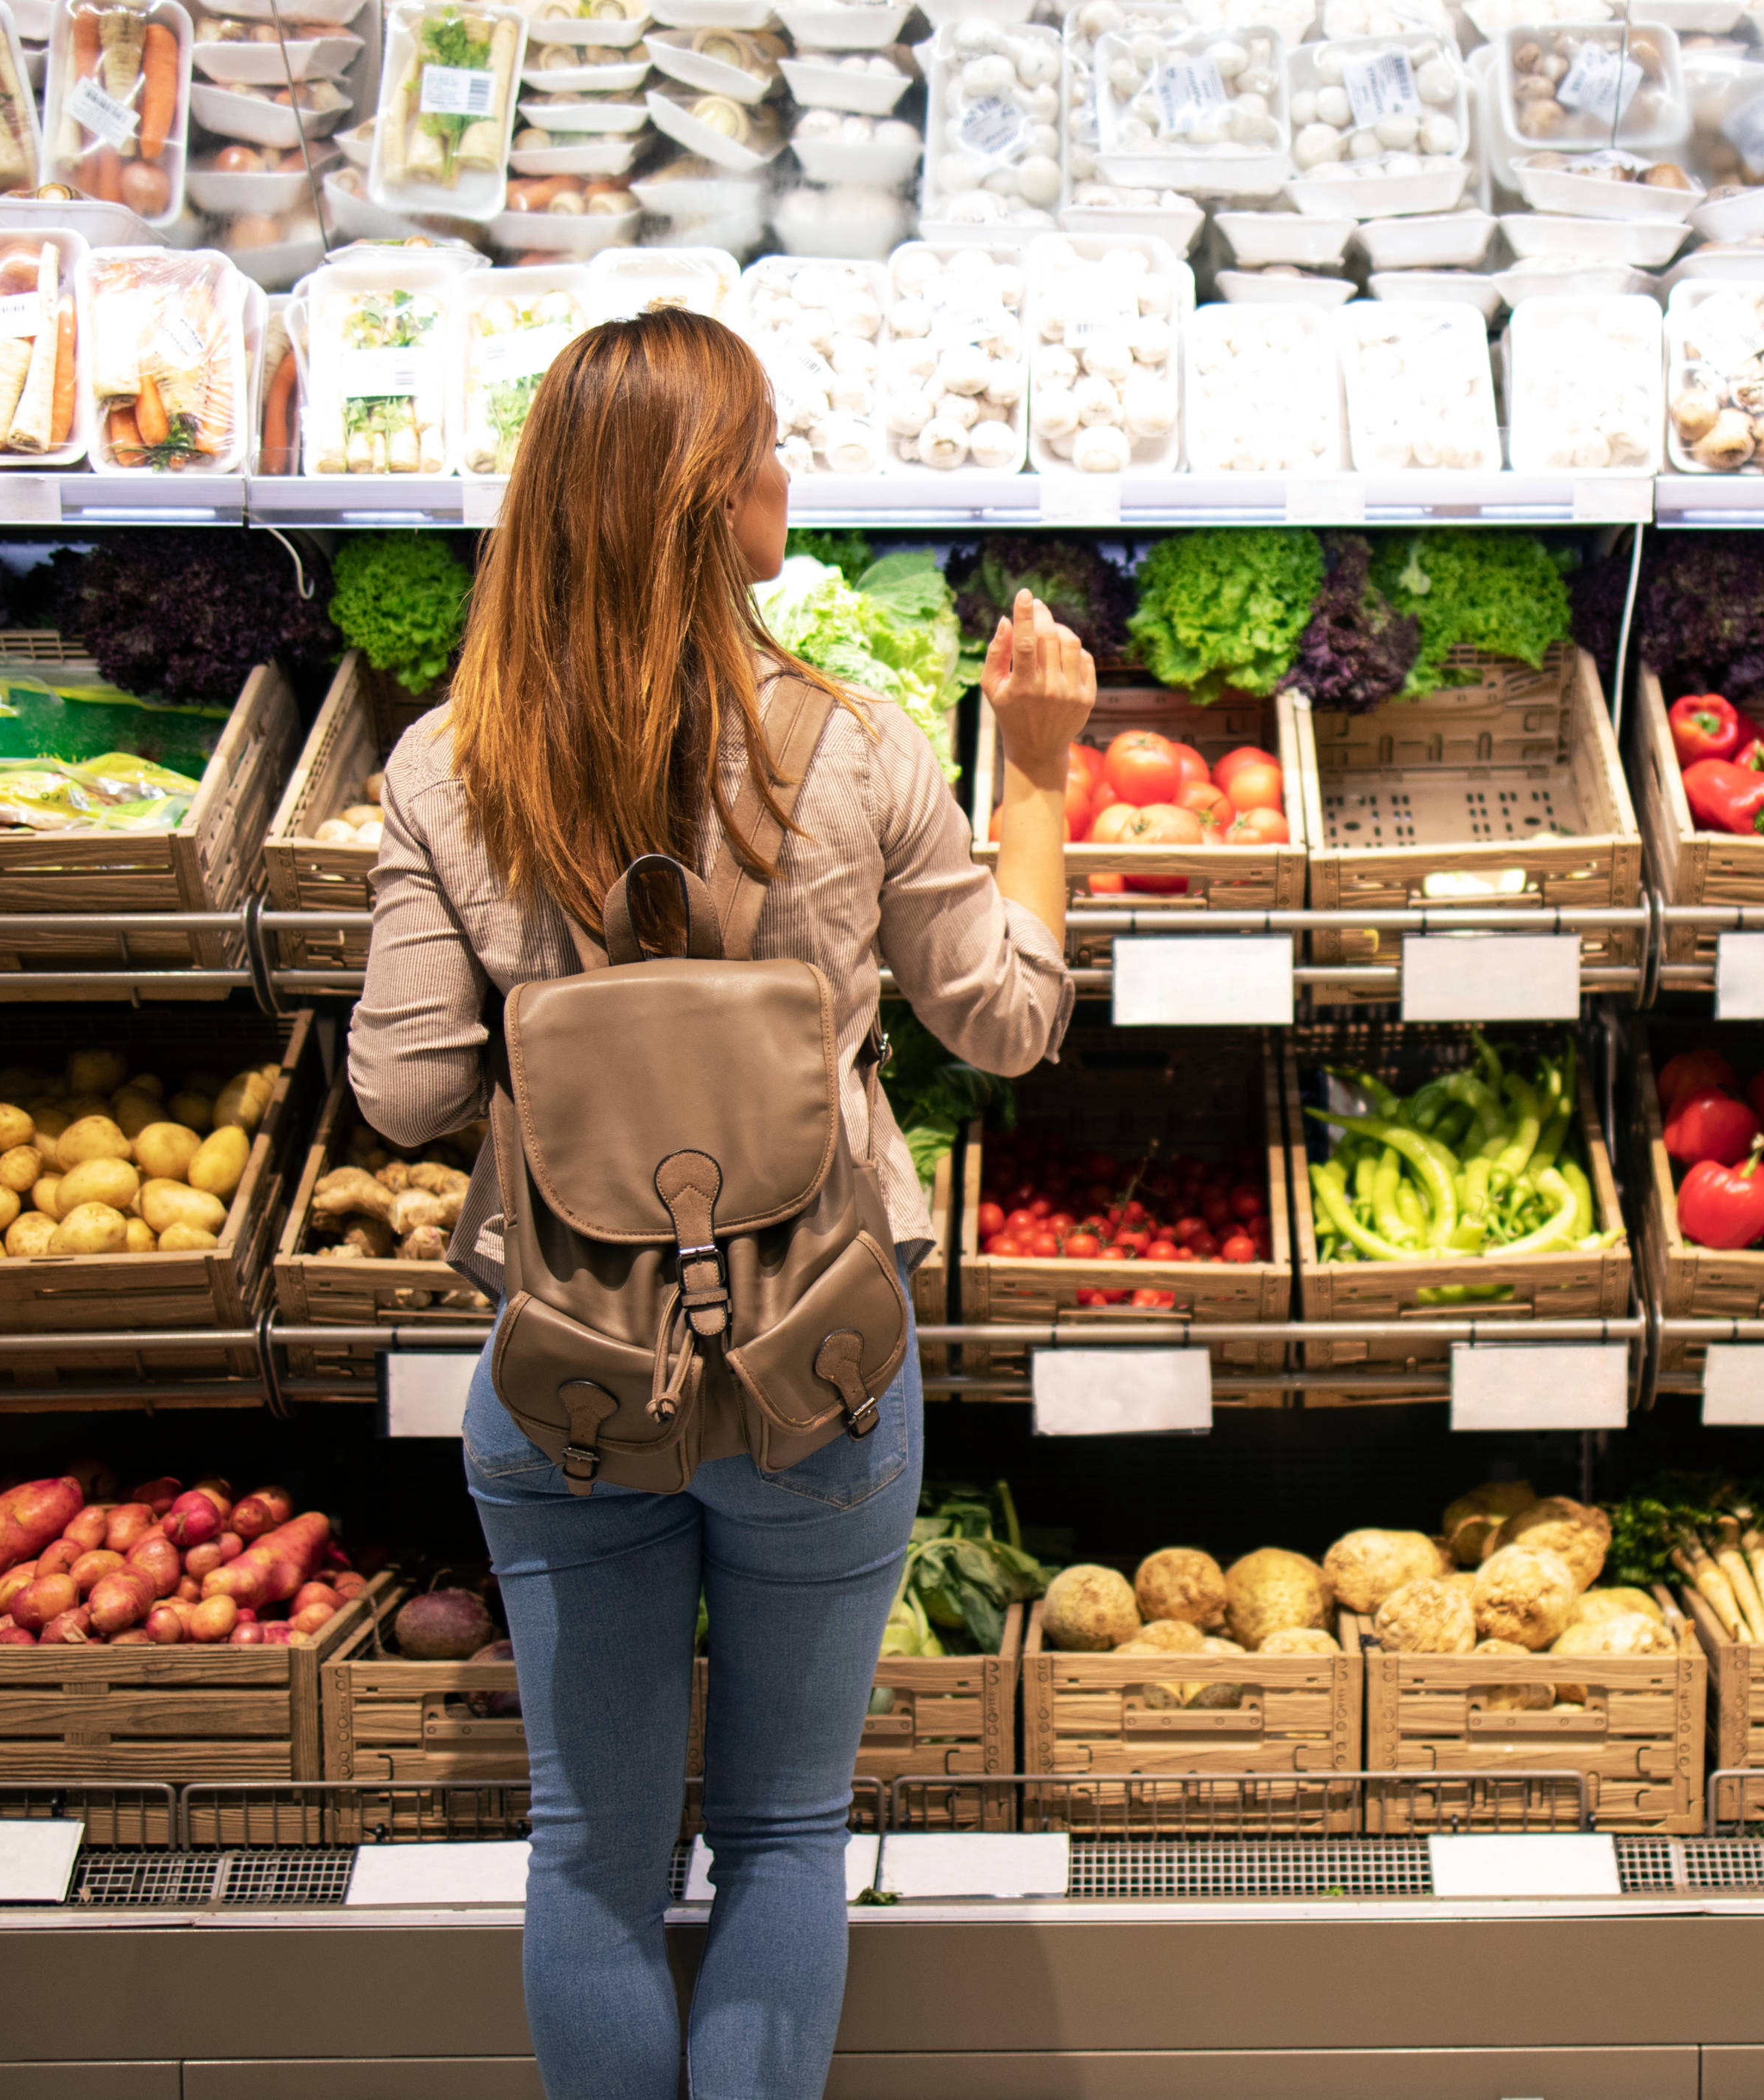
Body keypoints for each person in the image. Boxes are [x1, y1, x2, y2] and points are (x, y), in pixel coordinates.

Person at [347, 307, 1091, 2099]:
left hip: (569, 1370)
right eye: (759, 447)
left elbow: (406, 1089)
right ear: (700, 505)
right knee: (778, 1831)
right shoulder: (857, 748)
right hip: (816, 1363)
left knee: (590, 1848)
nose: (785, 474)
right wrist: (1044, 771)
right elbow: (1003, 1021)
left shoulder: (449, 772)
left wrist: (567, 1033)